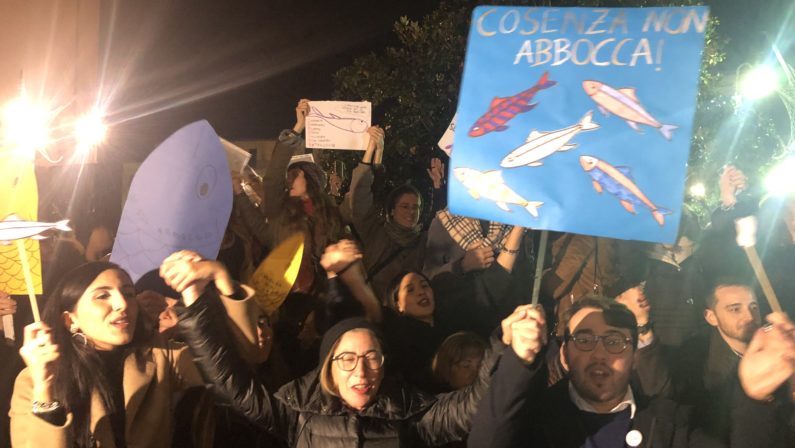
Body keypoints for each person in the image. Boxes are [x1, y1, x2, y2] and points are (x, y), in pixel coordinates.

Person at [173, 260, 516, 448]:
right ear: (329, 366)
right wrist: (194, 299)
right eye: (347, 359)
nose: (361, 373)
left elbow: (474, 404)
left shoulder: (412, 414)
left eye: (371, 358)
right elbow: (229, 383)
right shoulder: (296, 411)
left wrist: (506, 345)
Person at [9, 256, 259, 448]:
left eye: (129, 293)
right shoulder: (34, 381)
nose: (122, 304)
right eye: (102, 296)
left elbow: (238, 362)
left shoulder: (160, 356)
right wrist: (45, 391)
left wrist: (222, 278)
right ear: (69, 319)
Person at [468, 296, 766, 448]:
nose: (599, 354)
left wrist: (756, 398)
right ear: (564, 354)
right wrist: (518, 360)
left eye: (614, 342)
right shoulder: (534, 419)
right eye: (584, 340)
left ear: (635, 357)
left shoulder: (673, 423)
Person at [383, 226, 526, 391]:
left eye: (424, 285)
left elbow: (494, 281)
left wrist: (518, 228)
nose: (421, 292)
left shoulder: (456, 316)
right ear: (398, 305)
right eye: (410, 290)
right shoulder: (400, 341)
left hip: (488, 390)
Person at [233, 98, 346, 294]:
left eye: (294, 175)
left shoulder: (331, 214)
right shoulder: (282, 209)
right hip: (283, 292)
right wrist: (298, 127)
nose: (288, 181)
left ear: (310, 180)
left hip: (321, 293)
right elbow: (272, 179)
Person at [345, 124, 445, 299]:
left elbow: (440, 219)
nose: (411, 212)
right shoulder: (375, 232)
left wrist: (438, 185)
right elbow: (360, 196)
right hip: (372, 311)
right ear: (391, 211)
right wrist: (372, 149)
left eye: (416, 207)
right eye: (405, 206)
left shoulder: (423, 241)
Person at [668, 280, 761, 441]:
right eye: (735, 309)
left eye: (753, 307)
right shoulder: (700, 370)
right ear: (711, 317)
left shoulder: (776, 350)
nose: (749, 316)